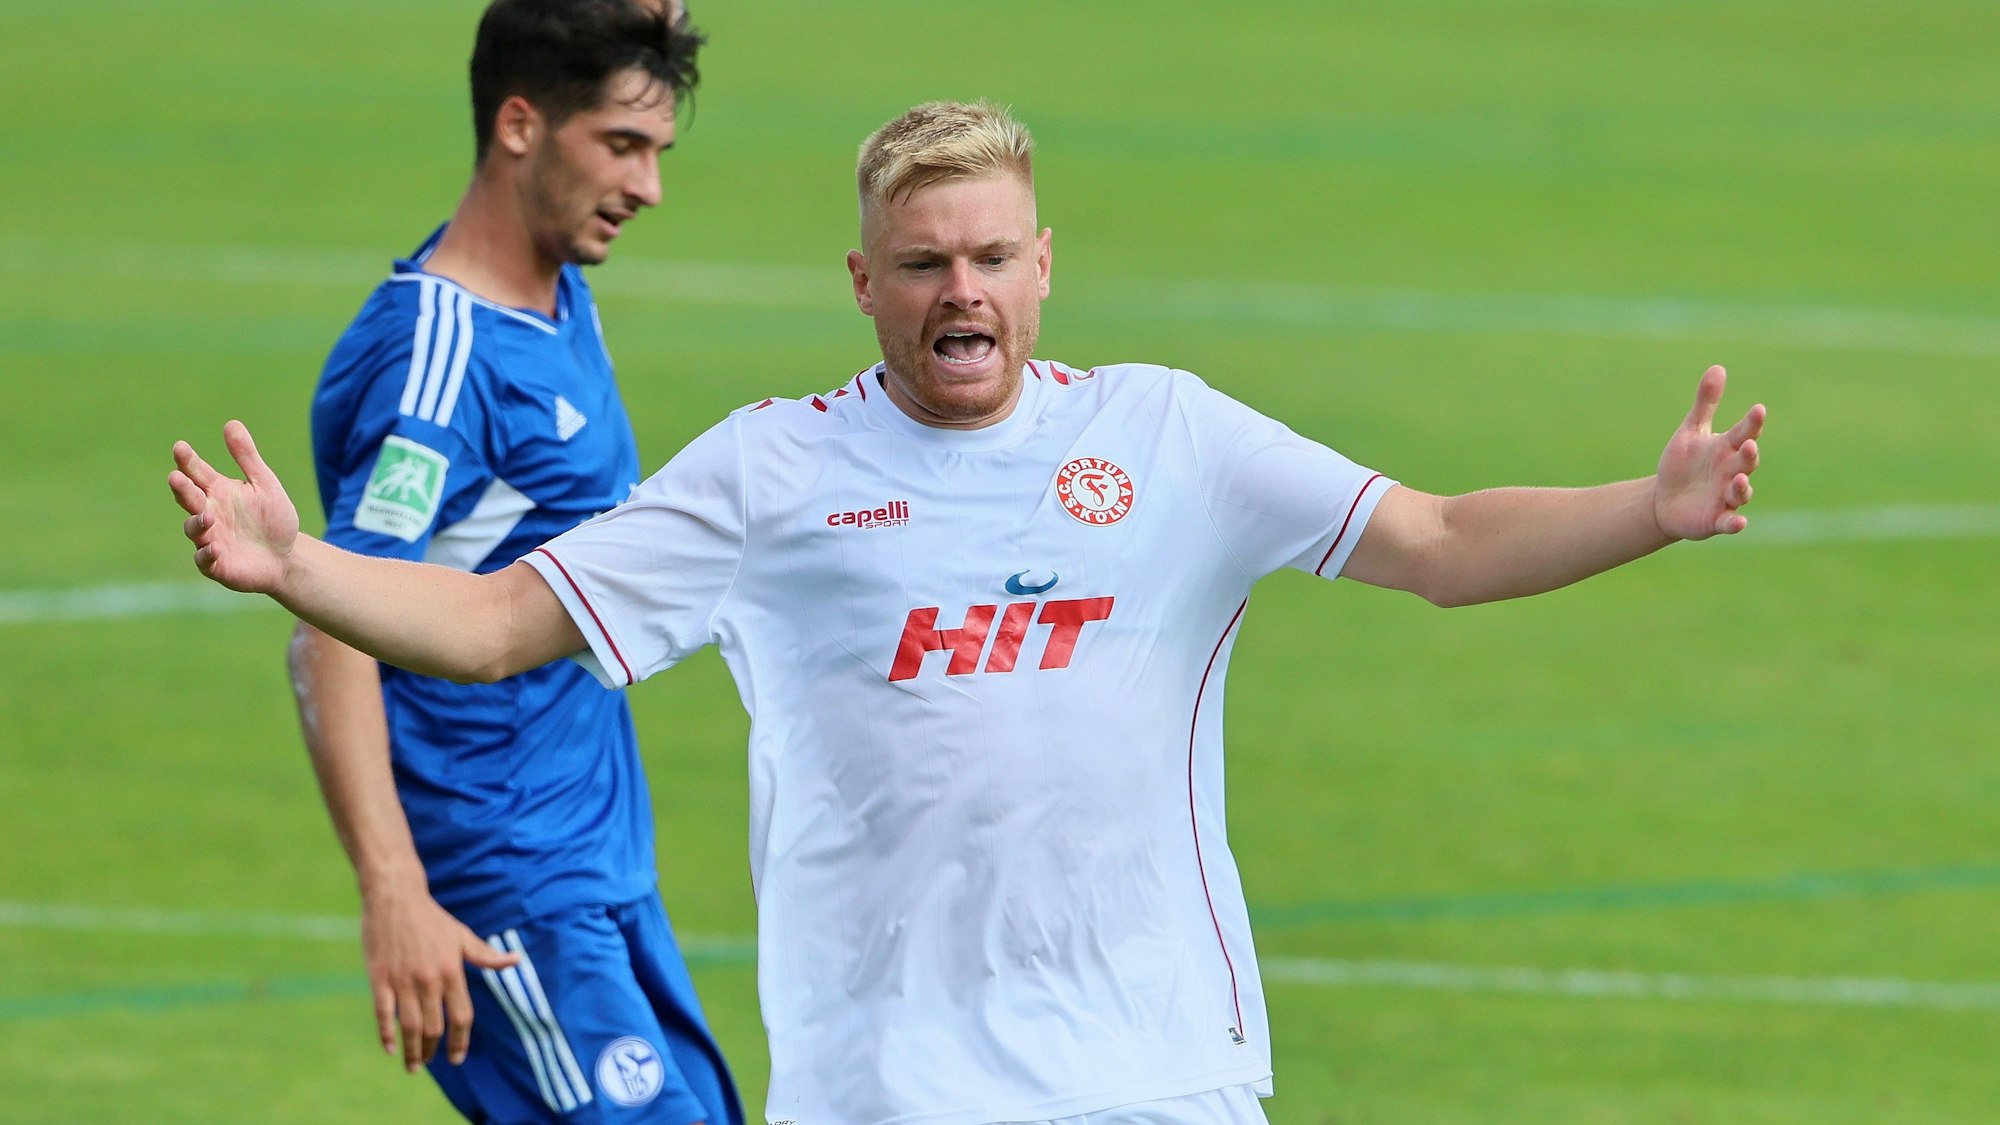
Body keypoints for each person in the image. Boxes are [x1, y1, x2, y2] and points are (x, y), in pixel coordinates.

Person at [172, 100, 1765, 1125]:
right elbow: (501, 622)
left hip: (1160, 1075)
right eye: (925, 262)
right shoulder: (770, 474)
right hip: (890, 1092)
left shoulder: (1168, 436)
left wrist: (1649, 510)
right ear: (862, 281)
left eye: (994, 256)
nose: (964, 294)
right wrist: (300, 566)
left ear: (1045, 266)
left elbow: (1431, 535)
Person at [285, 1, 739, 1122]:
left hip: (596, 870)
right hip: (503, 890)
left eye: (658, 151)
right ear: (521, 125)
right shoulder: (433, 367)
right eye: (621, 147)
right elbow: (328, 623)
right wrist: (394, 892)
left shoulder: (554, 288)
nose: (647, 188)